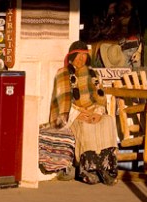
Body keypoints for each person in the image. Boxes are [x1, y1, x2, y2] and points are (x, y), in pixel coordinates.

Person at [49, 40, 118, 185]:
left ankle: (106, 168)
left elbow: (100, 98)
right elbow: (62, 101)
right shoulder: (63, 73)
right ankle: (87, 169)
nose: (81, 59)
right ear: (72, 57)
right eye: (78, 55)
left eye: (84, 55)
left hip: (92, 111)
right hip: (72, 114)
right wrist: (77, 114)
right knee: (86, 127)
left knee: (108, 121)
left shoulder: (92, 74)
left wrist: (98, 113)